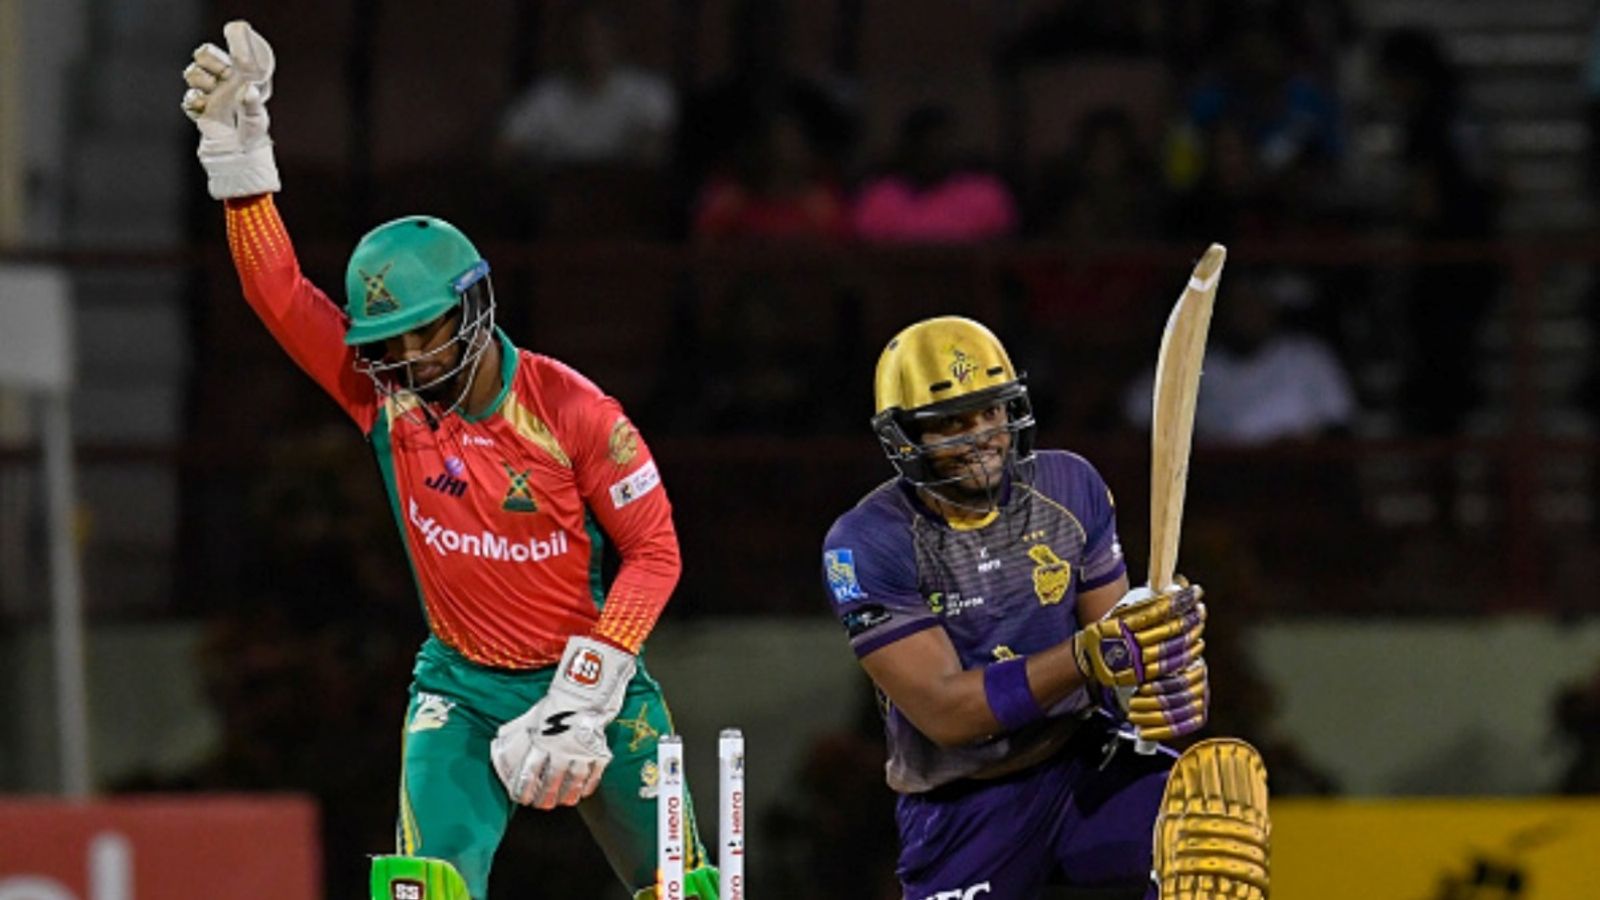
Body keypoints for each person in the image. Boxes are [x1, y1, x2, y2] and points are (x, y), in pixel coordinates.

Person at [180, 22, 719, 900]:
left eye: (420, 337)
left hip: (591, 685)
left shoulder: (573, 410)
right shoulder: (380, 394)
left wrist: (586, 691)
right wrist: (242, 169)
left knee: (687, 892)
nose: (404, 364)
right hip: (459, 691)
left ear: (472, 309)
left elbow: (655, 551)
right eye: (384, 345)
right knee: (422, 891)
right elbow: (275, 293)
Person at [819, 316, 1270, 899]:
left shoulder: (1069, 484)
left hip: (1083, 764)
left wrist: (1163, 671)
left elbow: (1118, 657)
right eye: (950, 422)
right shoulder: (866, 541)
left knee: (1207, 835)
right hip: (963, 802)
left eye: (992, 411)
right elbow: (945, 712)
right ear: (903, 437)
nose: (981, 435)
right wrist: (1088, 657)